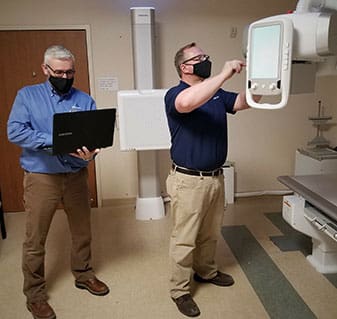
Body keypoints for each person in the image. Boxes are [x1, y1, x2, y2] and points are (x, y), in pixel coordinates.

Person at [7, 45, 109, 319]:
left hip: (76, 176)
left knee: (82, 231)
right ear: (45, 70)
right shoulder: (27, 96)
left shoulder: (85, 99)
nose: (65, 76)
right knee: (35, 239)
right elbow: (15, 132)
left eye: (70, 72)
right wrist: (56, 140)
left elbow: (93, 135)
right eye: (59, 72)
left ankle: (84, 273)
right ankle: (35, 293)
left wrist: (92, 151)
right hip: (42, 177)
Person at [165, 42, 259, 317]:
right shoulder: (176, 94)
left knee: (209, 233)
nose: (206, 60)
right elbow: (187, 103)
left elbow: (242, 102)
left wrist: (264, 83)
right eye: (200, 58)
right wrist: (224, 74)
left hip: (215, 178)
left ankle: (205, 271)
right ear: (185, 67)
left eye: (206, 55)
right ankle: (180, 290)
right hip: (188, 181)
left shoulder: (216, 94)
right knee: (184, 239)